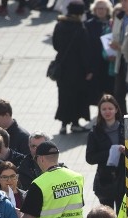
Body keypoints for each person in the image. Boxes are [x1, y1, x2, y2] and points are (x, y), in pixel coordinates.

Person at [53, 2, 93, 135]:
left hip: (63, 68)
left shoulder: (59, 25)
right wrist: (88, 70)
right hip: (78, 70)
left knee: (63, 96)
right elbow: (85, 51)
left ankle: (63, 125)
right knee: (77, 96)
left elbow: (55, 45)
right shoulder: (80, 28)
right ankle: (75, 124)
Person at [86, 94, 126, 210]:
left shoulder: (125, 128)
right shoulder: (95, 132)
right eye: (104, 109)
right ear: (99, 111)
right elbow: (90, 158)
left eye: (110, 108)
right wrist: (109, 152)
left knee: (122, 217)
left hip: (123, 179)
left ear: (116, 109)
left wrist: (126, 151)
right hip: (105, 180)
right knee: (106, 217)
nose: (107, 112)